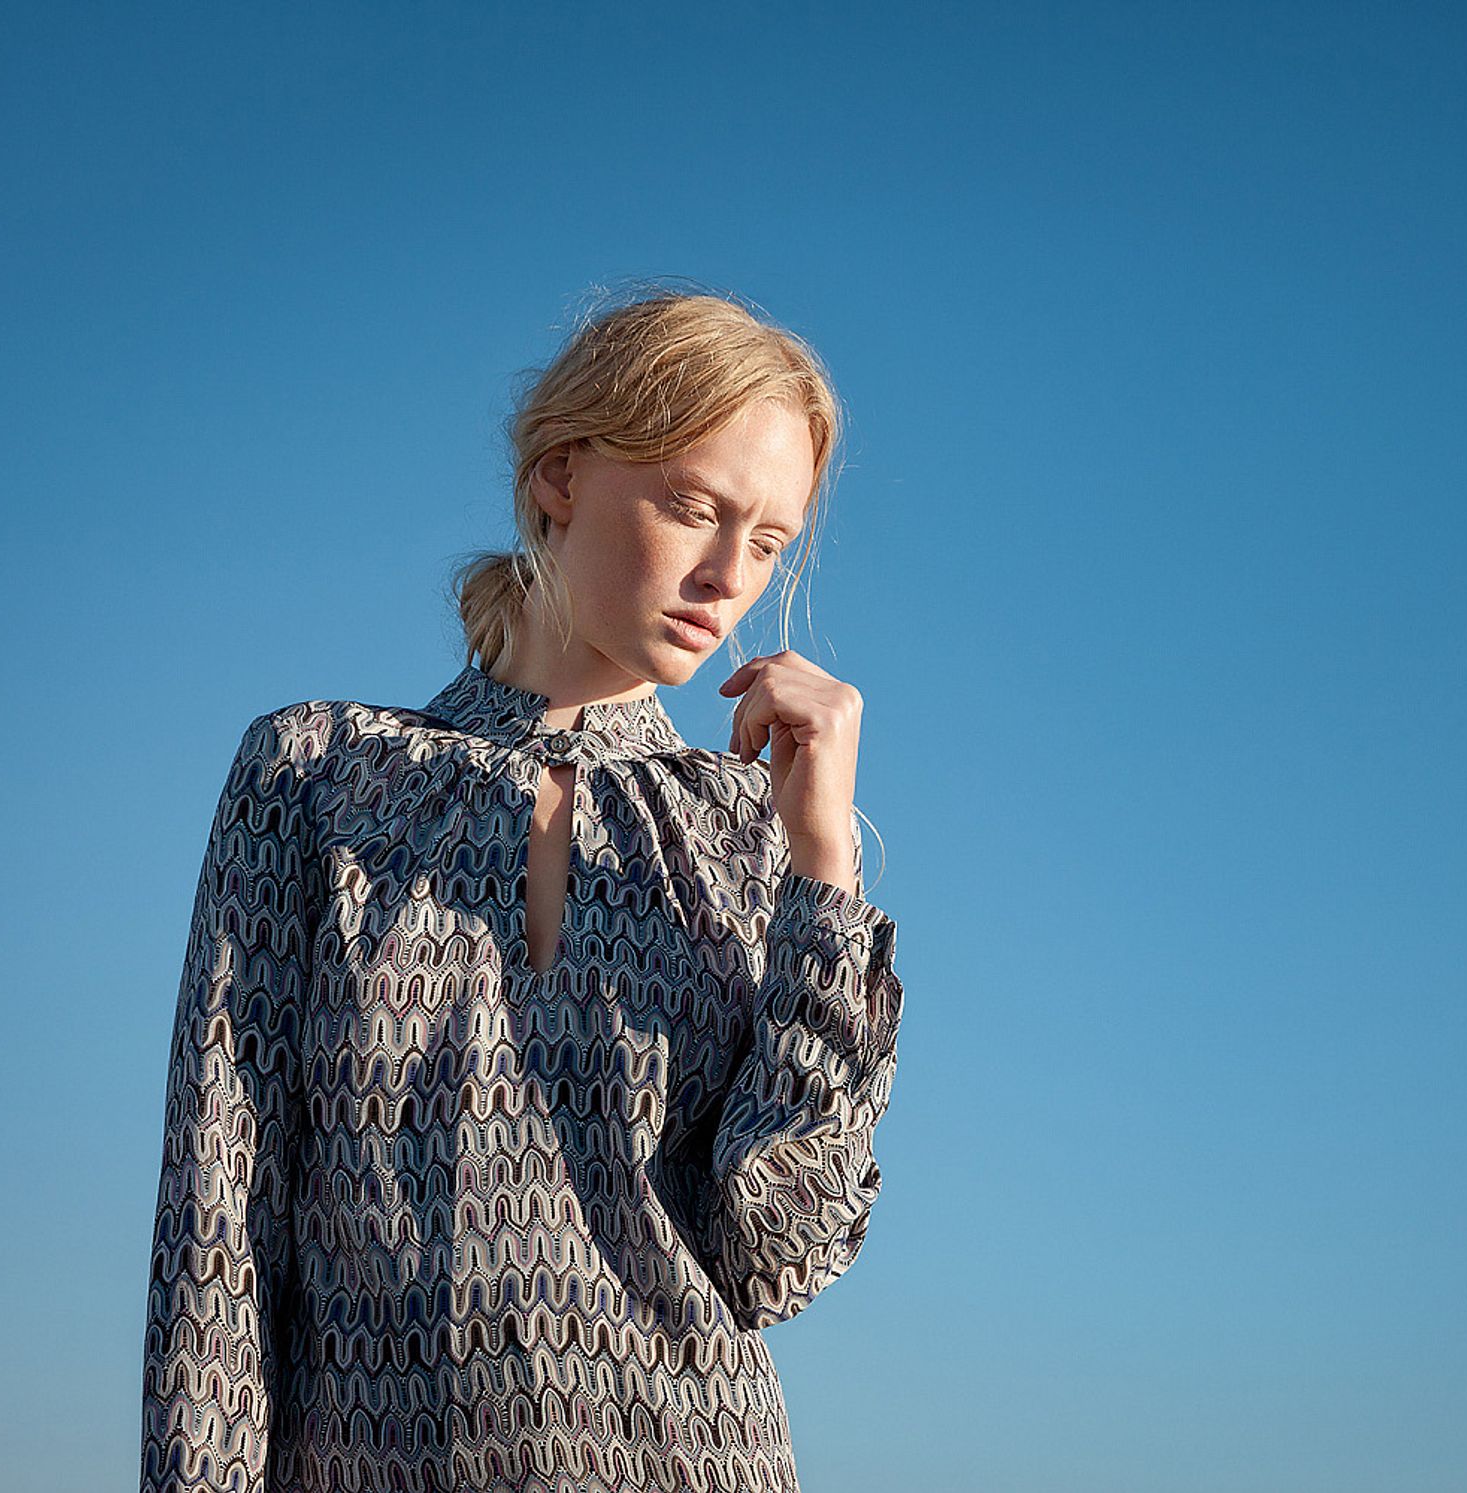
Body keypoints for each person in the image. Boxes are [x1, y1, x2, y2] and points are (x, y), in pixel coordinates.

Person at [139, 288, 906, 1493]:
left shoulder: (743, 836)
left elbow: (776, 1251)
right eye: (693, 506)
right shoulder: (318, 777)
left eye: (765, 540)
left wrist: (821, 865)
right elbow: (219, 1226)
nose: (725, 576)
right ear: (559, 475)